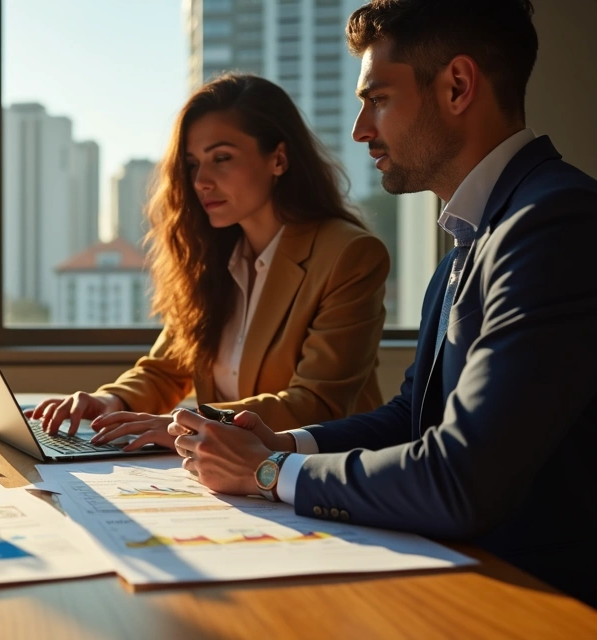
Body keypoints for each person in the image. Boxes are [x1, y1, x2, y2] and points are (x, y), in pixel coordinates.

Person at [169, 0, 597, 608]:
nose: (360, 129)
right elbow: (410, 417)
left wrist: (266, 474)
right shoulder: (467, 244)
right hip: (463, 572)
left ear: (457, 85)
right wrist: (283, 445)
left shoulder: (553, 222)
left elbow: (462, 476)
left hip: (541, 599)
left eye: (378, 99)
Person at [29, 74, 390, 450]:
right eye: (192, 164)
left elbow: (317, 404)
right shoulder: (211, 257)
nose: (201, 180)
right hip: (231, 471)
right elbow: (167, 369)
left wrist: (187, 425)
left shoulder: (349, 254)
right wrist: (111, 401)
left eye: (221, 158)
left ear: (278, 159)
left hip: (320, 471)